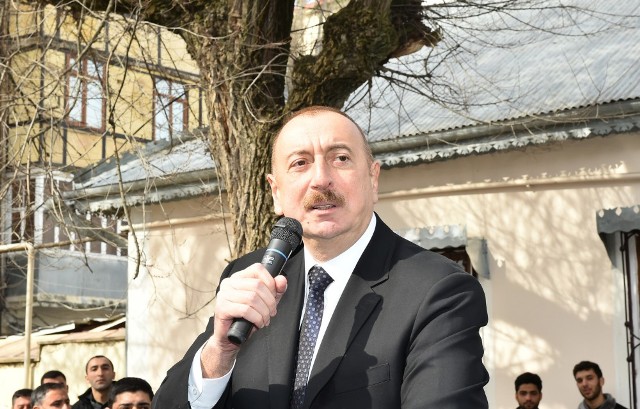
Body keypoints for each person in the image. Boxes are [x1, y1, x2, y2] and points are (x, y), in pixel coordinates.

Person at [152, 106, 489, 408]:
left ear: (373, 179)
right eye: (300, 163)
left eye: (340, 158)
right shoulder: (250, 278)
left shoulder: (437, 290)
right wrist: (219, 353)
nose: (320, 179)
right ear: (276, 192)